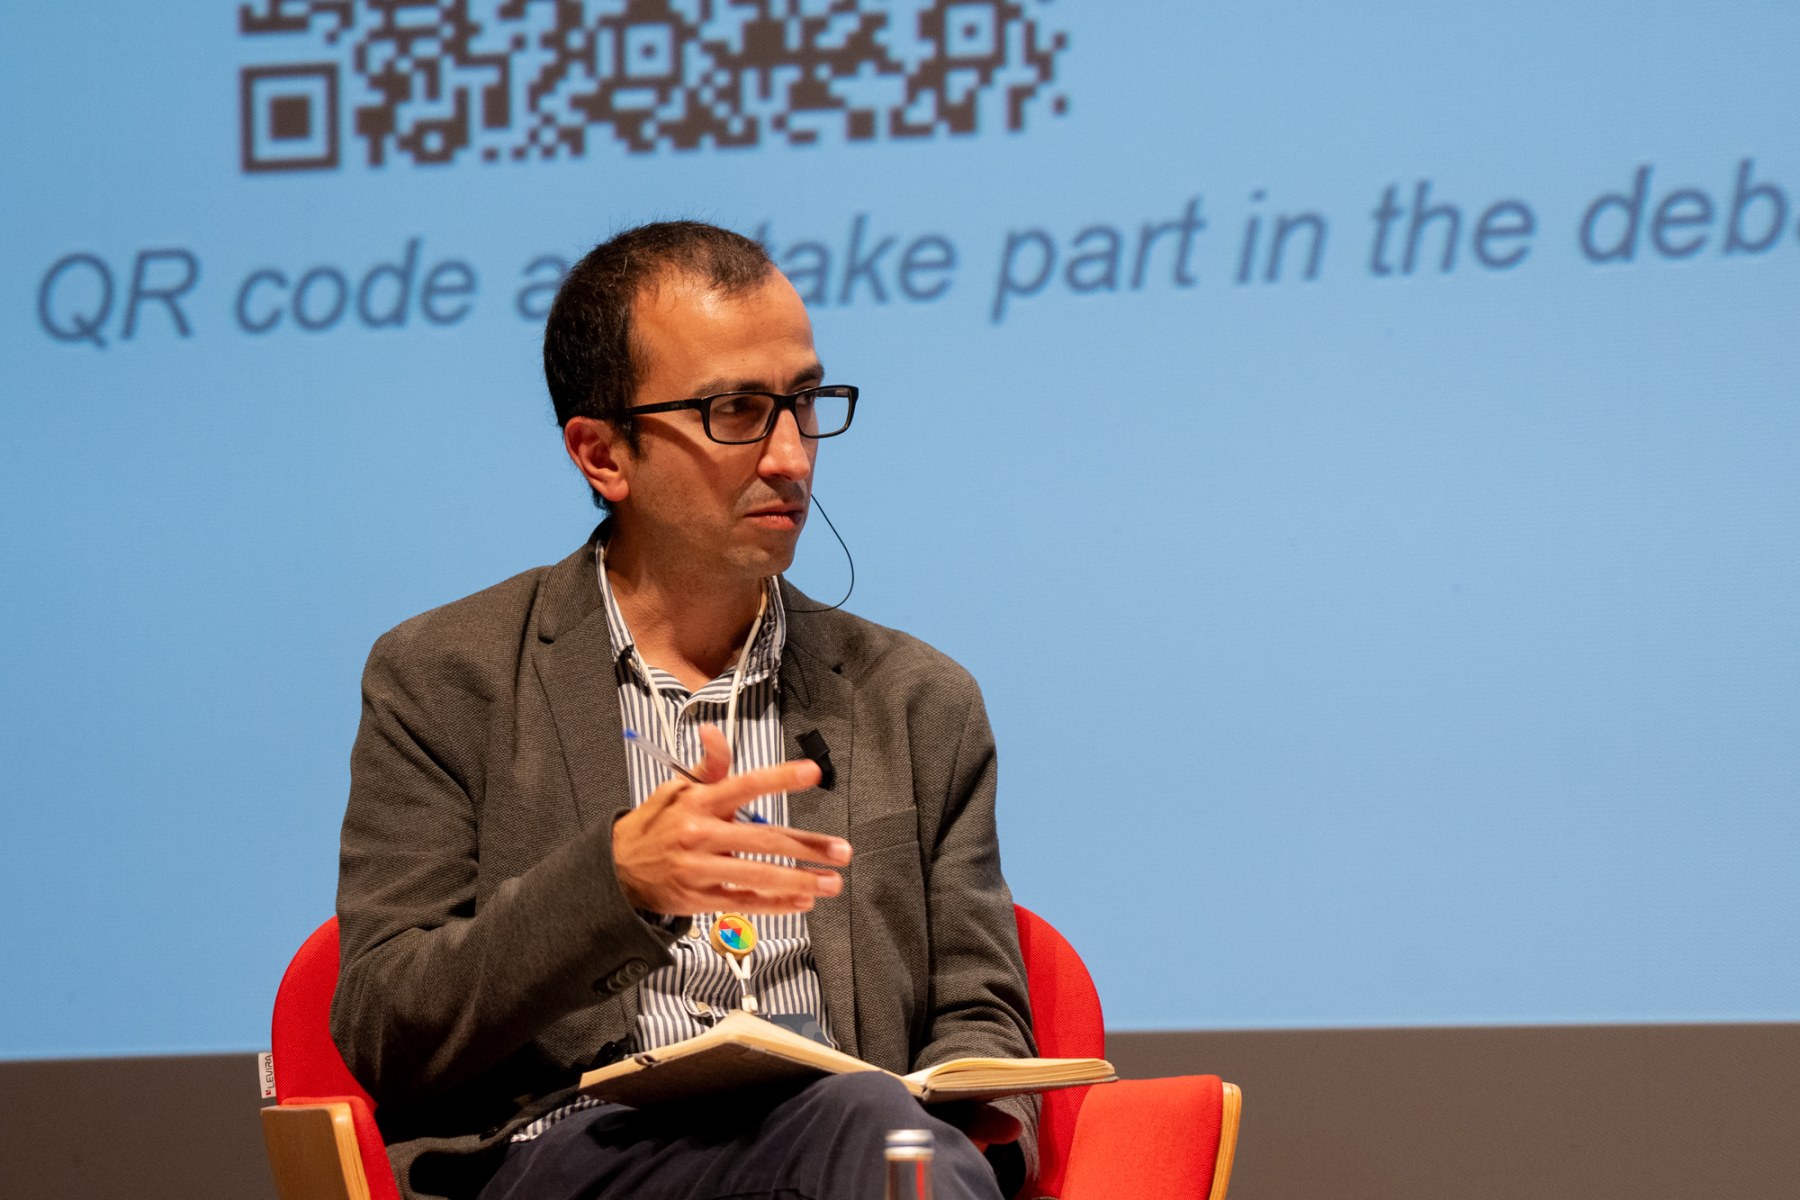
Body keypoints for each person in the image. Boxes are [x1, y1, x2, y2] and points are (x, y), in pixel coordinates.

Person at [331, 221, 1037, 1200]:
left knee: (876, 1132)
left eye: (803, 403)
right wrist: (612, 884)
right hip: (570, 1157)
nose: (791, 457)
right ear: (602, 455)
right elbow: (384, 1026)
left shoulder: (917, 700)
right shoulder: (447, 679)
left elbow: (979, 1012)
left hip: (846, 1144)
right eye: (736, 411)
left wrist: (951, 1100)